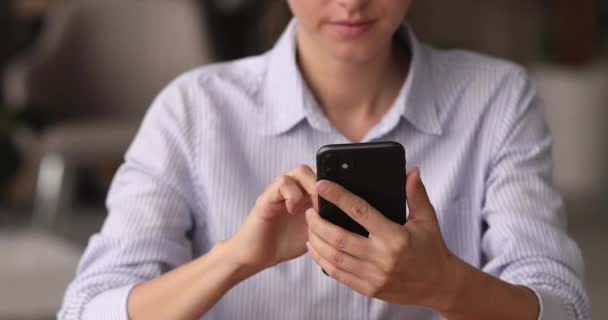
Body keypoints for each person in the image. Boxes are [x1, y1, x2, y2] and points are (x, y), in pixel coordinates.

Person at [59, 1, 590, 319]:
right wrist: (235, 259)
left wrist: (444, 285)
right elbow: (87, 309)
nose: (350, 1)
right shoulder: (194, 110)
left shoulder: (497, 97)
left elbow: (562, 306)